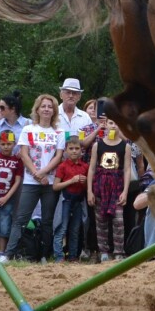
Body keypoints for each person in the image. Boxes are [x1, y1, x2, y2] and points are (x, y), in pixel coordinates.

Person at [5, 93, 63, 261]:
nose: (46, 109)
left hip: (50, 182)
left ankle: (44, 255)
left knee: (47, 221)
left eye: (50, 106)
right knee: (21, 218)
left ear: (54, 111)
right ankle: (9, 254)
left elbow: (58, 157)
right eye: (43, 106)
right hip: (31, 181)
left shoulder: (58, 132)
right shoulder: (28, 129)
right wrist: (38, 175)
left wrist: (44, 173)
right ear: (37, 109)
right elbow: (24, 154)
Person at [87, 107, 132, 262]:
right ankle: (103, 251)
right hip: (100, 186)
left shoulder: (125, 146)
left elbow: (127, 169)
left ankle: (119, 251)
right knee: (100, 220)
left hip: (117, 186)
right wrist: (89, 191)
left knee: (118, 221)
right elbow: (92, 168)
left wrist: (125, 191)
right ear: (105, 124)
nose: (114, 126)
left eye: (117, 123)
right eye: (111, 122)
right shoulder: (97, 145)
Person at [51, 137, 89, 262]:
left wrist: (86, 181)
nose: (74, 151)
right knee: (61, 228)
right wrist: (71, 181)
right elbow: (55, 186)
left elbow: (88, 186)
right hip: (65, 200)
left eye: (77, 148)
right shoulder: (63, 166)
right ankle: (59, 256)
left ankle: (73, 256)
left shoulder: (85, 166)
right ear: (66, 150)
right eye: (71, 148)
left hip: (79, 201)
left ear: (81, 151)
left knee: (75, 230)